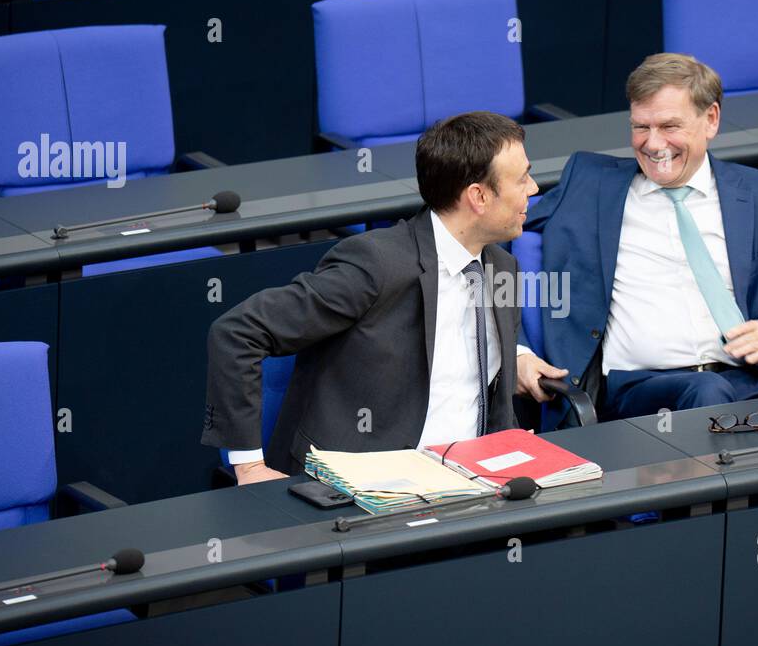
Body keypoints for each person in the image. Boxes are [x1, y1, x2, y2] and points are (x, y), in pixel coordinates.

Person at [202, 111, 539, 484]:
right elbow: (236, 333)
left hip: (470, 481)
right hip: (366, 488)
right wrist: (249, 466)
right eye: (522, 178)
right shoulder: (375, 265)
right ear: (478, 196)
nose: (534, 188)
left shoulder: (501, 267)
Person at [516, 53, 758, 425]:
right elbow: (494, 238)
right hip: (640, 392)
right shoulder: (591, 184)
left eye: (669, 126)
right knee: (709, 397)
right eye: (641, 127)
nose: (653, 145)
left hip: (749, 383)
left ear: (711, 120)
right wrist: (519, 351)